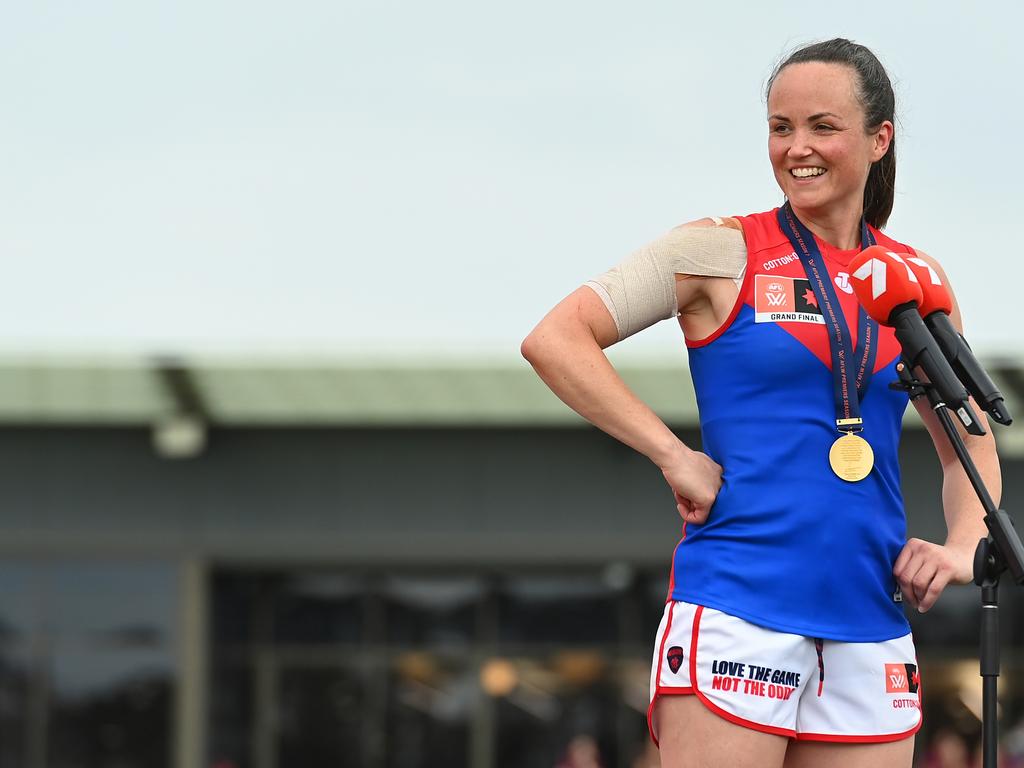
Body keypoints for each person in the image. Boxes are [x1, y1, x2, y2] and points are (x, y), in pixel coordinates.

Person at [521, 38, 1002, 768]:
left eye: (821, 127)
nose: (797, 148)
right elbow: (557, 339)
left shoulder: (911, 279)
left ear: (880, 139)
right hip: (739, 607)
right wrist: (672, 454)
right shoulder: (717, 250)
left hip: (869, 620)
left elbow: (967, 437)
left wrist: (965, 544)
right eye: (781, 128)